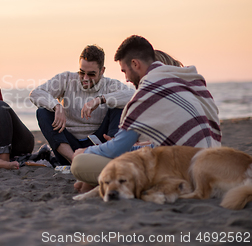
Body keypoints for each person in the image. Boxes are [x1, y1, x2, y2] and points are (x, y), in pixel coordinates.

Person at [71, 36, 222, 192]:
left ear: (135, 64)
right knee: (90, 176)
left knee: (80, 163)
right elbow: (164, 145)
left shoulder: (148, 89)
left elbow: (117, 149)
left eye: (124, 71)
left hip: (185, 172)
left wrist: (86, 151)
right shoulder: (183, 79)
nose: (126, 79)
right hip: (210, 164)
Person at [29, 45, 134, 165]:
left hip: (98, 144)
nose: (85, 78)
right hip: (69, 145)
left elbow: (133, 95)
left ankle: (110, 156)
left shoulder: (110, 84)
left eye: (91, 74)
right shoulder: (67, 78)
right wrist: (56, 106)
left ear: (102, 71)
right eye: (81, 72)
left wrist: (100, 100)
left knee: (119, 105)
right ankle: (74, 160)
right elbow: (35, 93)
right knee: (43, 112)